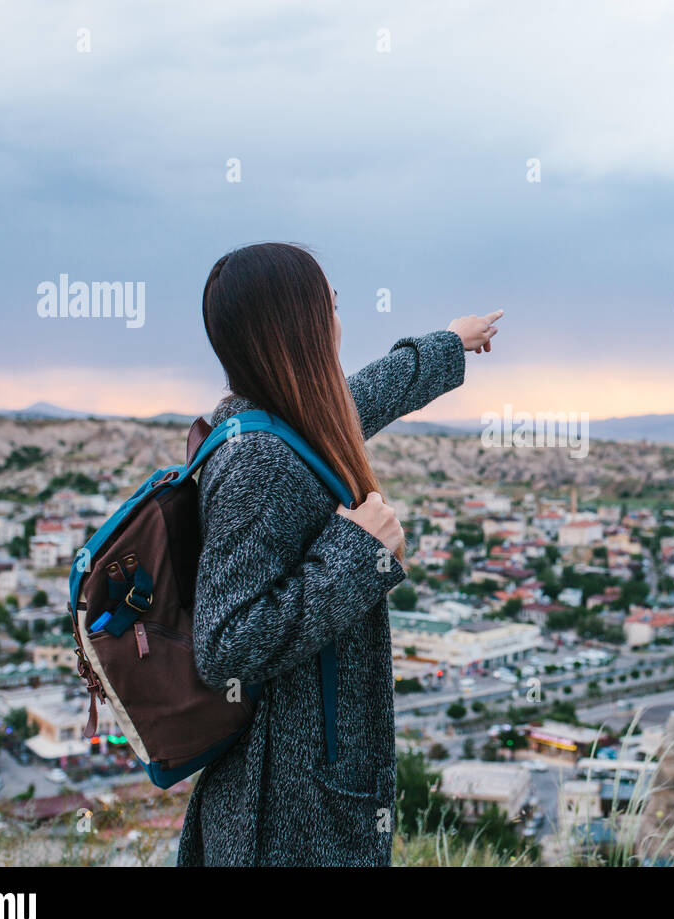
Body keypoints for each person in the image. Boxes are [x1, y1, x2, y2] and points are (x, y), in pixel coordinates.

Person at [177, 241, 500, 865]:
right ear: (299, 325)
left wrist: (450, 344)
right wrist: (356, 553)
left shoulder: (280, 424)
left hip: (302, 787)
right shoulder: (259, 461)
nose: (338, 320)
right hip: (287, 810)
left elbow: (365, 397)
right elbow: (225, 647)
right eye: (331, 305)